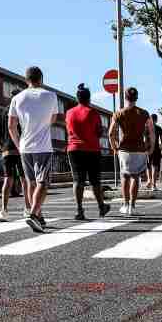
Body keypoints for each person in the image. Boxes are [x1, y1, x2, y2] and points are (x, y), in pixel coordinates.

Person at [8, 66, 57, 234]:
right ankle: (34, 214)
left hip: (25, 146)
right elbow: (53, 119)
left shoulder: (17, 98)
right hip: (43, 146)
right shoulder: (50, 96)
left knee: (30, 182)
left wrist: (18, 144)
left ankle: (39, 216)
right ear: (41, 78)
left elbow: (11, 126)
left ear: (26, 79)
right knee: (43, 182)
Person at [65, 84, 111, 221]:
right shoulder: (93, 112)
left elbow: (68, 130)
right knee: (95, 181)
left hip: (74, 149)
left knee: (78, 181)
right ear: (89, 98)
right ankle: (101, 207)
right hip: (92, 150)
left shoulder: (69, 113)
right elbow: (99, 132)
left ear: (77, 98)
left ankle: (79, 210)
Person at [108, 87, 155, 216]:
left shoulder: (118, 113)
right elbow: (151, 132)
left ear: (125, 97)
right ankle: (132, 206)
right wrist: (151, 147)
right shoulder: (145, 113)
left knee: (124, 176)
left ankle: (125, 204)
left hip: (124, 150)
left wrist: (114, 146)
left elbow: (111, 132)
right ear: (137, 98)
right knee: (136, 176)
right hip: (140, 149)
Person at [0, 89, 31, 222]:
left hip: (7, 151)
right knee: (24, 180)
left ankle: (4, 211)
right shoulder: (21, 111)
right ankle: (27, 209)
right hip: (21, 149)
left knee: (8, 180)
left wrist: (1, 147)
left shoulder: (2, 113)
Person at [147, 114, 162, 190]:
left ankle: (149, 180)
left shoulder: (146, 128)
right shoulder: (159, 128)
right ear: (156, 120)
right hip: (156, 149)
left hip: (147, 149)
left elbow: (143, 139)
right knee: (155, 167)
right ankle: (153, 185)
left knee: (148, 166)